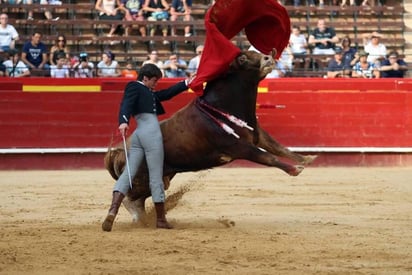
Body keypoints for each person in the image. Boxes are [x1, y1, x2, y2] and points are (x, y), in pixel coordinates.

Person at [101, 63, 191, 232]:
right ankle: (161, 220)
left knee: (129, 173)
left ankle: (113, 210)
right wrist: (123, 120)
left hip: (138, 135)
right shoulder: (134, 86)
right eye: (154, 81)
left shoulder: (147, 92)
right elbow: (125, 103)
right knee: (156, 176)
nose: (155, 84)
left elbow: (164, 95)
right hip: (151, 134)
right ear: (145, 78)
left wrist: (186, 83)